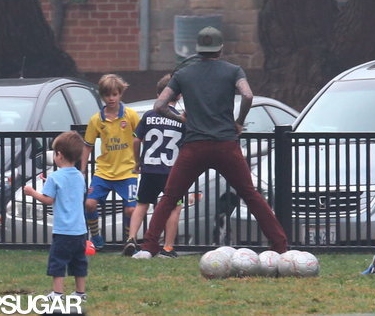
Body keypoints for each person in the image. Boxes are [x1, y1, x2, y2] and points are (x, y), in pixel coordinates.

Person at [133, 26, 288, 258]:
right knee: (251, 194)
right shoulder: (233, 70)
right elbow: (247, 95)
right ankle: (279, 245)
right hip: (226, 144)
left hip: (194, 146)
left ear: (198, 49)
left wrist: (180, 118)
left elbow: (159, 105)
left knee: (169, 196)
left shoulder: (183, 74)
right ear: (220, 48)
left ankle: (148, 247)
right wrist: (239, 122)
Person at [122, 74, 186, 258]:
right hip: (171, 170)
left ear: (159, 94)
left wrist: (137, 162)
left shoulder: (149, 116)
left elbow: (136, 140)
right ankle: (167, 247)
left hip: (149, 167)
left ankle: (132, 239)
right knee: (174, 207)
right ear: (179, 96)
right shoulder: (181, 120)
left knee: (142, 204)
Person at [23, 131, 88, 301]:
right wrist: (49, 184)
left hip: (63, 230)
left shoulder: (55, 177)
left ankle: (57, 293)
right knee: (79, 262)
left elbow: (48, 199)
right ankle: (80, 293)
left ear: (59, 155)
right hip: (80, 230)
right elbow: (73, 193)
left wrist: (32, 192)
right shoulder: (80, 177)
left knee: (58, 261)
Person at [81, 74, 140, 251]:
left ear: (120, 94)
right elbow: (87, 145)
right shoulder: (96, 119)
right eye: (107, 95)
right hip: (104, 171)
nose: (111, 98)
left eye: (115, 94)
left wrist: (140, 161)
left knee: (130, 210)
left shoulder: (130, 115)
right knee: (90, 203)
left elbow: (142, 138)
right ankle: (97, 238)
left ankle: (129, 241)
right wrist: (82, 169)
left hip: (127, 171)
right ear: (102, 96)